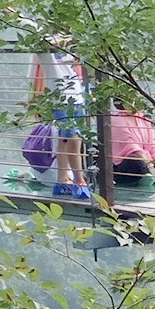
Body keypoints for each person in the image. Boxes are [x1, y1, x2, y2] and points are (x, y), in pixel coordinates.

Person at [38, 48, 93, 200]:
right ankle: (79, 181)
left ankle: (63, 180)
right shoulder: (45, 41)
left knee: (69, 139)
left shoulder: (66, 42)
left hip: (77, 94)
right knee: (73, 139)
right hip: (60, 98)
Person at [108, 105, 155, 184]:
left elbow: (153, 142)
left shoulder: (143, 119)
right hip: (126, 162)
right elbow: (131, 146)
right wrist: (150, 166)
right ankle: (144, 177)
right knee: (136, 161)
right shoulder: (117, 120)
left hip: (147, 158)